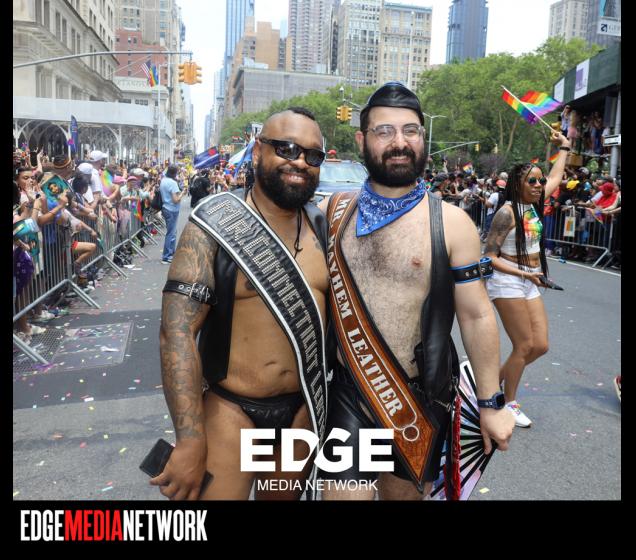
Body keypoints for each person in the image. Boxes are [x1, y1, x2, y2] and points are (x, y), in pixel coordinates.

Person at [318, 82, 514, 501]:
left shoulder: (453, 223)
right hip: (349, 394)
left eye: (411, 131)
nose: (400, 142)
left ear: (423, 139)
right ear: (362, 140)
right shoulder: (331, 212)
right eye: (384, 131)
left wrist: (491, 403)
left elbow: (477, 315)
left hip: (419, 399)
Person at [155, 107, 330, 500]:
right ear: (257, 152)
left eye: (312, 155)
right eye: (286, 149)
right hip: (231, 412)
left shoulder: (323, 225)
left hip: (301, 412)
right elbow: (176, 333)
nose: (300, 162)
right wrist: (189, 439)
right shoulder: (213, 223)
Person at [484, 132, 571, 428]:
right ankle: (508, 402)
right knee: (523, 346)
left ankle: (488, 385)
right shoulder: (506, 213)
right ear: (517, 185)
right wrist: (525, 274)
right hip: (507, 280)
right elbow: (489, 257)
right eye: (531, 181)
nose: (538, 185)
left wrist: (564, 147)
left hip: (529, 280)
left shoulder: (534, 204)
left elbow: (556, 176)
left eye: (539, 181)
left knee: (540, 345)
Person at [159, 164, 187, 264]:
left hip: (166, 207)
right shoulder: (172, 183)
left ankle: (170, 254)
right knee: (171, 233)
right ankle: (166, 256)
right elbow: (175, 200)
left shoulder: (163, 180)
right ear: (175, 173)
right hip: (171, 209)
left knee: (172, 232)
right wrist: (183, 193)